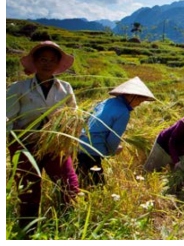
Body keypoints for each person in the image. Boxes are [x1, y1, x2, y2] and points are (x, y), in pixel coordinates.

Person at [5, 41, 80, 237]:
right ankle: (28, 233)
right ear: (35, 62)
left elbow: (72, 115)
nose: (47, 64)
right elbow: (7, 118)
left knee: (68, 185)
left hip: (55, 144)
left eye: (52, 60)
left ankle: (66, 225)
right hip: (25, 145)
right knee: (29, 191)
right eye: (43, 59)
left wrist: (69, 140)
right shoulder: (19, 88)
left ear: (57, 64)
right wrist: (14, 143)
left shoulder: (65, 88)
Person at [76, 77, 156, 187]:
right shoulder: (123, 112)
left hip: (80, 144)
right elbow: (114, 138)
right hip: (93, 149)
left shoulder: (106, 102)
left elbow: (88, 119)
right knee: (97, 187)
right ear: (130, 96)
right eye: (140, 101)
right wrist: (113, 151)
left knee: (80, 180)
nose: (139, 104)